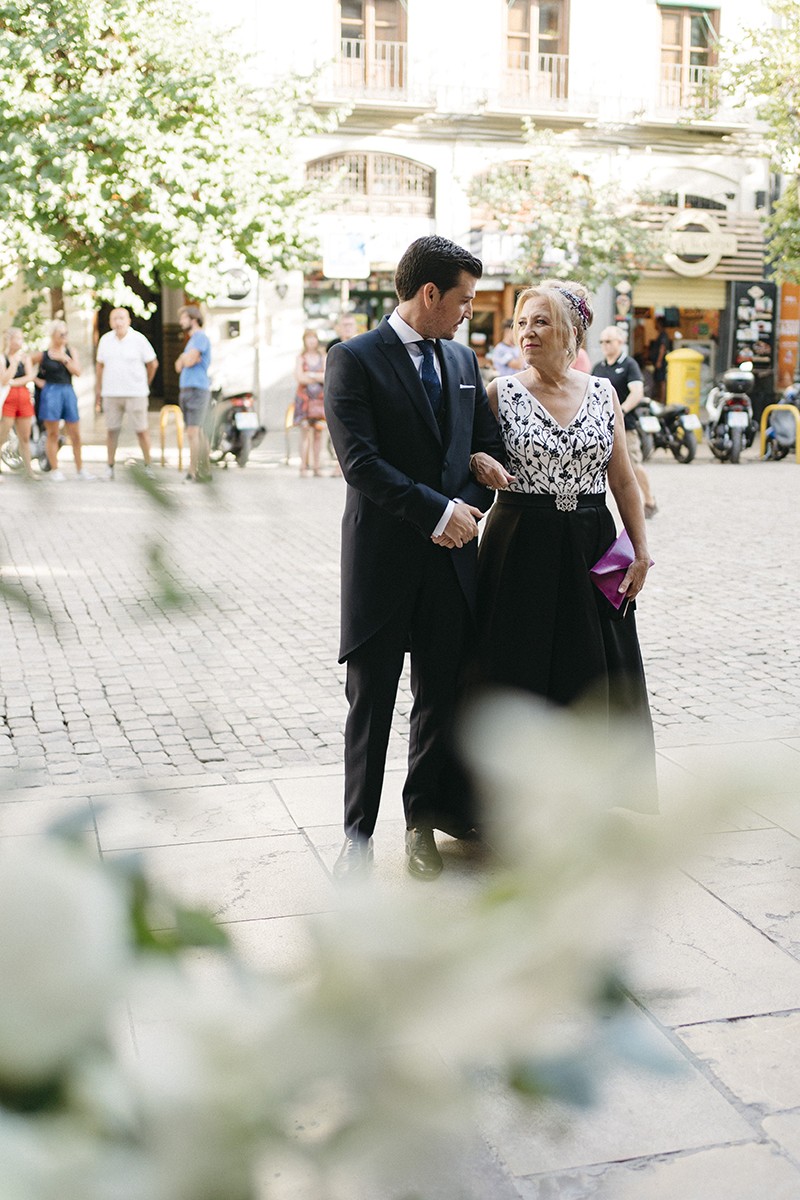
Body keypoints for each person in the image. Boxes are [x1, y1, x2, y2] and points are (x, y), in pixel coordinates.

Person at [324, 235, 505, 881]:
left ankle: (420, 825)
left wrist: (473, 505)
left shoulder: (463, 360)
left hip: (453, 563)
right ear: (429, 293)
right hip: (382, 562)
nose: (469, 311)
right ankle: (358, 836)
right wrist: (437, 512)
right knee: (370, 702)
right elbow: (360, 463)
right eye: (464, 299)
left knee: (439, 701)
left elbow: (486, 451)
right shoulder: (353, 359)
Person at [471, 281, 657, 812]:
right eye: (521, 323)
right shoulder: (498, 393)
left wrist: (640, 550)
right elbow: (470, 460)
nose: (527, 332)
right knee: (517, 666)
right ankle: (512, 804)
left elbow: (622, 479)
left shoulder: (602, 394)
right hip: (519, 542)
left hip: (593, 544)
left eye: (541, 322)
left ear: (573, 333)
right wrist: (476, 464)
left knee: (595, 669)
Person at [592, 325, 657, 518]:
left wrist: (620, 411)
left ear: (620, 342)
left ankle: (649, 501)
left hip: (625, 426)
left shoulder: (629, 365)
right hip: (601, 427)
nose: (604, 345)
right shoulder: (598, 367)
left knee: (634, 465)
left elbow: (637, 393)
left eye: (609, 341)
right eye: (602, 341)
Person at [95, 308, 158, 479]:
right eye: (114, 318)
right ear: (110, 322)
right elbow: (100, 366)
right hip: (111, 393)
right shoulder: (105, 340)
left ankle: (148, 465)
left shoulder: (139, 339)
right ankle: (110, 467)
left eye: (121, 318)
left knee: (141, 430)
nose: (118, 322)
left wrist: (146, 383)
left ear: (128, 320)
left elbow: (153, 363)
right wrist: (98, 390)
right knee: (111, 430)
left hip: (135, 392)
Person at [35, 320, 93, 481]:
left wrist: (64, 358)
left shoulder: (70, 351)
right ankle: (55, 469)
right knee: (52, 433)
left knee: (75, 434)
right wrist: (37, 381)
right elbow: (28, 365)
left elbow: (78, 372)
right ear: (53, 335)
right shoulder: (44, 354)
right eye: (62, 334)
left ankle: (80, 469)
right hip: (51, 392)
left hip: (67, 390)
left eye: (66, 333)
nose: (65, 336)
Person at [174, 305, 211, 482]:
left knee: (193, 432)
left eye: (183, 318)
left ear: (193, 319)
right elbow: (179, 365)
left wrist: (184, 358)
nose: (180, 322)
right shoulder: (191, 342)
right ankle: (206, 470)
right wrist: (185, 357)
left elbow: (187, 362)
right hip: (187, 389)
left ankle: (193, 472)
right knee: (198, 432)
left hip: (197, 390)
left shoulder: (200, 338)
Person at [0, 328, 38, 478]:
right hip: (8, 399)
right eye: (17, 338)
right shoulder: (3, 358)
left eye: (21, 338)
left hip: (23, 397)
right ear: (9, 340)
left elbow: (29, 376)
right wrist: (14, 363)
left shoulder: (25, 357)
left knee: (25, 437)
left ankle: (29, 471)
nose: (20, 342)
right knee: (2, 435)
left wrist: (13, 382)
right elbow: (3, 380)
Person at [293, 329, 327, 477]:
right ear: (304, 340)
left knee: (318, 433)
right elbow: (300, 378)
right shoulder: (301, 358)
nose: (311, 341)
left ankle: (317, 466)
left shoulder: (323, 356)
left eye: (313, 338)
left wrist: (311, 375)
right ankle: (303, 466)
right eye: (309, 338)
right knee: (305, 433)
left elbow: (327, 376)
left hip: (319, 400)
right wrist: (317, 377)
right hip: (305, 401)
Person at [648, 315, 672, 404]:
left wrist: (659, 361)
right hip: (658, 362)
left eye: (656, 323)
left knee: (662, 381)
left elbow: (662, 348)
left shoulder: (663, 335)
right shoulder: (661, 334)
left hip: (661, 363)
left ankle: (662, 400)